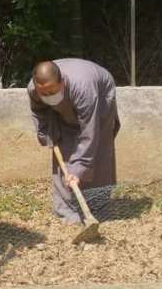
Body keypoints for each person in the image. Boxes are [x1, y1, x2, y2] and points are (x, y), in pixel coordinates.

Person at [28, 58, 120, 224]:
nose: (48, 96)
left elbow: (89, 132)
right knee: (62, 147)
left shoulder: (84, 88)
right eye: (44, 94)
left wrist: (78, 170)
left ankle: (98, 205)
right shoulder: (33, 89)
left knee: (98, 147)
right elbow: (38, 112)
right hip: (70, 101)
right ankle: (67, 210)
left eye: (51, 91)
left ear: (62, 82)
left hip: (100, 94)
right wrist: (46, 134)